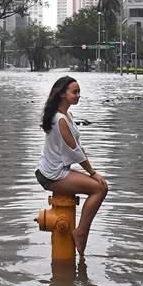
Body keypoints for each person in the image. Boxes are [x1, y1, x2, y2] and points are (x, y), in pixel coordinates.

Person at [36, 76, 108, 258]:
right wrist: (92, 173)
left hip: (58, 169)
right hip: (52, 174)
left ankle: (80, 234)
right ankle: (81, 232)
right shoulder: (59, 119)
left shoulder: (66, 115)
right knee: (100, 189)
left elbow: (77, 147)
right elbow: (75, 151)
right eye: (74, 92)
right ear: (62, 94)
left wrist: (92, 172)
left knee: (100, 185)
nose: (78, 95)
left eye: (79, 92)